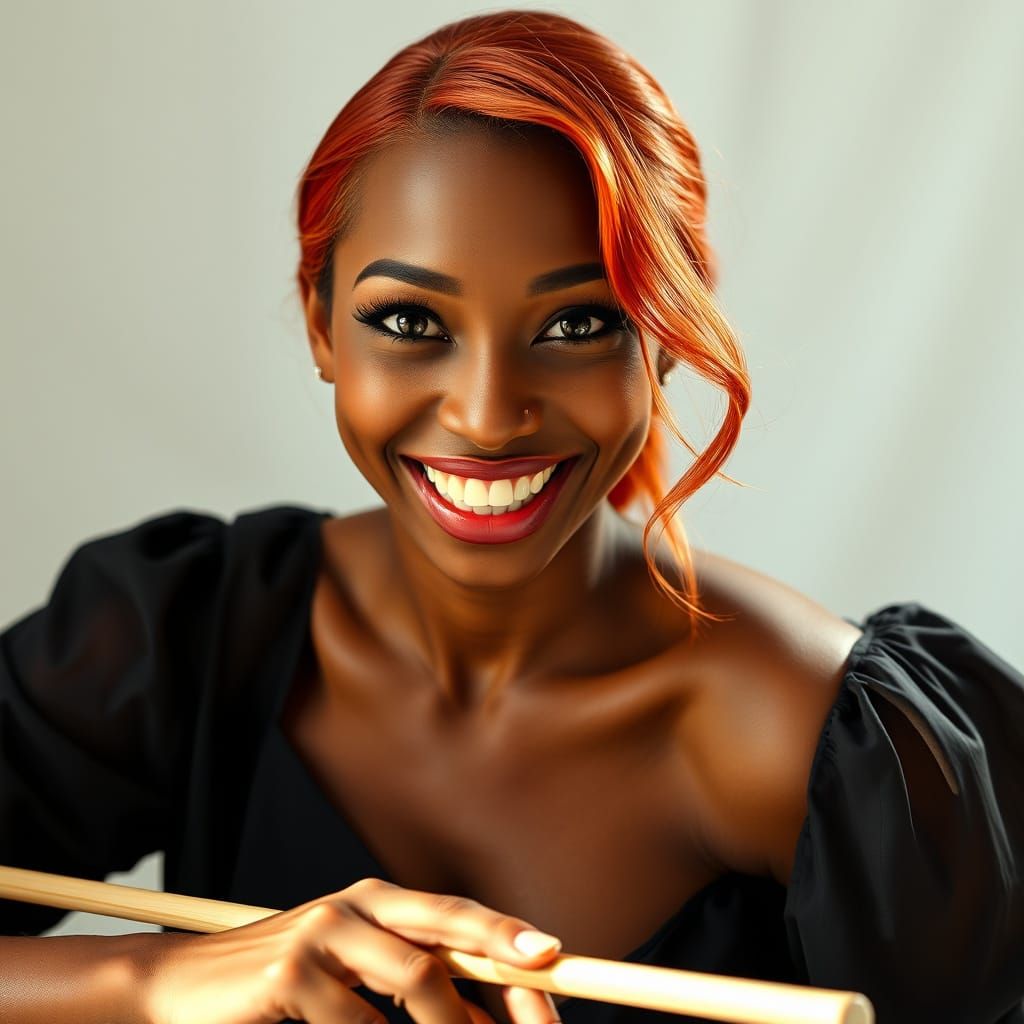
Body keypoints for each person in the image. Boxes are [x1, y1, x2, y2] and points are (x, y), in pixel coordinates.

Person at [1, 9, 1022, 1024]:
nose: (488, 418)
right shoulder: (180, 630)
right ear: (320, 325)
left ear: (666, 338)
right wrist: (145, 982)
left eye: (578, 323)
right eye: (411, 320)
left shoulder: (835, 750)